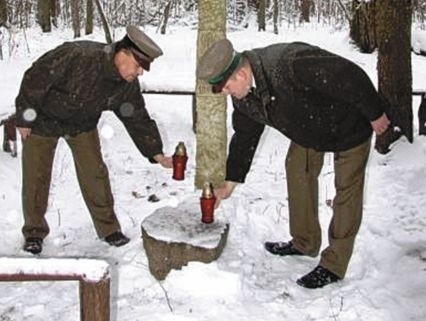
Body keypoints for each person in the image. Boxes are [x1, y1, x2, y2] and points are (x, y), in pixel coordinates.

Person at [197, 39, 390, 289]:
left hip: (348, 124)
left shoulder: (291, 63)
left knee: (346, 190)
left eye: (224, 87)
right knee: (297, 169)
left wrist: (375, 113)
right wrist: (230, 183)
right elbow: (245, 136)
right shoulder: (243, 95)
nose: (224, 93)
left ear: (242, 74)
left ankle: (334, 265)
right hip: (308, 129)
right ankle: (305, 241)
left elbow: (350, 76)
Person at [15, 25, 173, 255]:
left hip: (81, 124)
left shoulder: (125, 84)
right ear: (124, 54)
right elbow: (35, 78)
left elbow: (136, 116)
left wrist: (156, 152)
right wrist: (25, 117)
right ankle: (34, 233)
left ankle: (109, 229)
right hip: (44, 120)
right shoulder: (78, 55)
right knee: (36, 176)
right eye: (139, 66)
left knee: (95, 174)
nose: (139, 73)